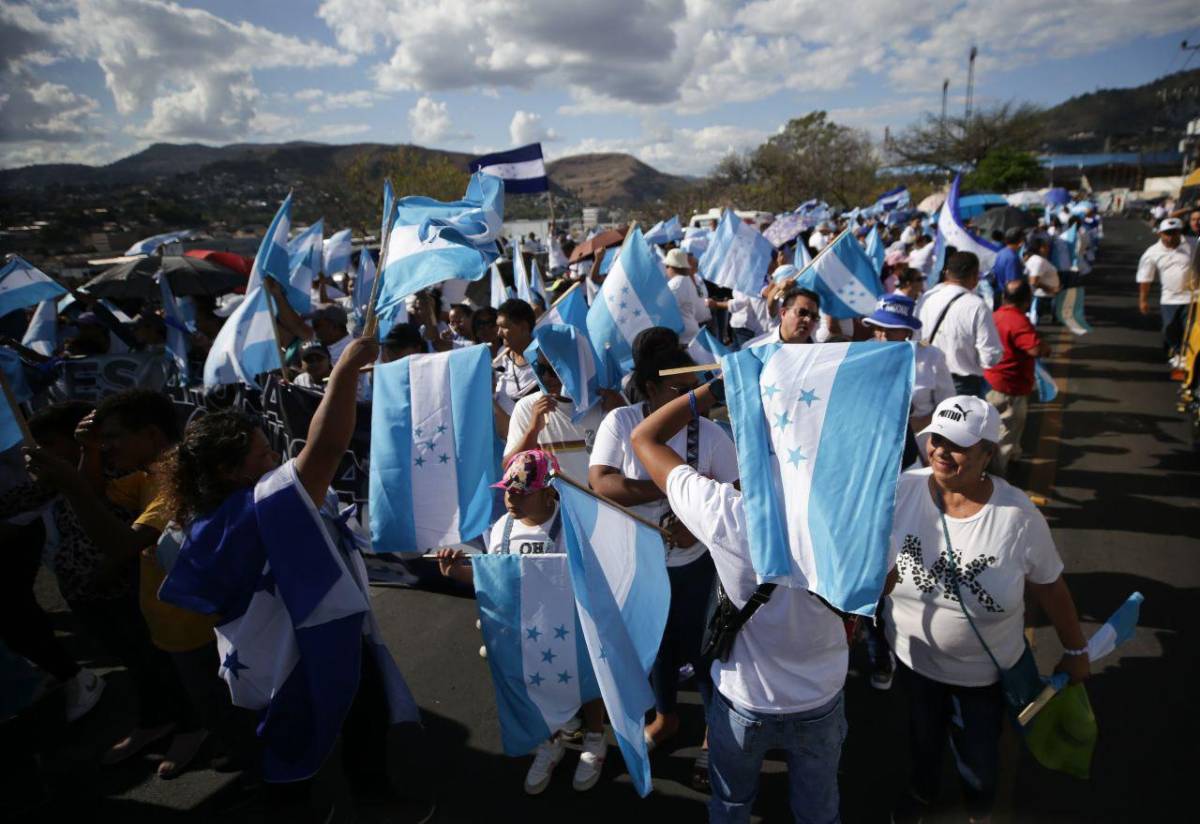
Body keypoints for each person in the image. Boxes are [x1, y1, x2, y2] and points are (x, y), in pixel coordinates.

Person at [158, 337, 429, 820]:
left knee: (340, 717)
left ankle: (348, 794)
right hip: (300, 648)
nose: (274, 461)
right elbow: (326, 448)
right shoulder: (252, 508)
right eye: (262, 456)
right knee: (314, 727)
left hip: (290, 643)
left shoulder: (208, 517)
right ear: (228, 471)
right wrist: (345, 369)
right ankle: (337, 801)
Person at [631, 379, 849, 824]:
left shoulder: (725, 511)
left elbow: (643, 437)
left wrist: (710, 390)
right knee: (818, 808)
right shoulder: (851, 513)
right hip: (821, 696)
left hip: (744, 700)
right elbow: (881, 585)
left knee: (731, 805)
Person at [883, 395, 1089, 823]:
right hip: (913, 663)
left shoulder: (1017, 517)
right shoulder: (902, 489)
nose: (940, 450)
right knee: (921, 745)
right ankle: (920, 798)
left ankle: (978, 811)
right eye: (935, 438)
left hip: (982, 680)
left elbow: (1051, 588)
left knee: (977, 763)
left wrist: (1076, 651)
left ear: (987, 454)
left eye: (956, 444)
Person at [23, 389, 221, 776]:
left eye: (112, 437)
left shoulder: (175, 482)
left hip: (193, 627)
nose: (106, 445)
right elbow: (99, 492)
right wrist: (89, 454)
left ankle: (233, 753)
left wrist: (69, 481)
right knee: (160, 675)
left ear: (149, 434)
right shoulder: (150, 474)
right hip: (168, 620)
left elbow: (122, 545)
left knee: (214, 702)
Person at [588, 336, 739, 761]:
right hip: (640, 564)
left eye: (696, 389)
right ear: (651, 389)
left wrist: (703, 527)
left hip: (694, 568)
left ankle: (714, 733)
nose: (693, 401)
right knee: (656, 647)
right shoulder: (621, 422)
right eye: (682, 391)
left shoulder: (709, 434)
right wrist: (679, 490)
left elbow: (739, 495)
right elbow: (601, 482)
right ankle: (666, 717)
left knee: (704, 651)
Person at [436, 450, 608, 795]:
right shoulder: (501, 528)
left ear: (548, 491)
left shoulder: (574, 526)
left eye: (520, 491)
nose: (509, 497)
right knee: (537, 686)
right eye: (507, 489)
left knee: (587, 682)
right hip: (527, 634)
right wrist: (458, 573)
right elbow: (494, 580)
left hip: (571, 629)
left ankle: (595, 738)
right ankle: (551, 741)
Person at [503, 329, 621, 484]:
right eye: (540, 369)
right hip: (552, 506)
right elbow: (509, 468)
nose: (546, 377)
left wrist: (618, 414)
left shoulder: (606, 403)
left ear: (575, 366)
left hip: (600, 504)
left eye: (554, 369)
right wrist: (532, 430)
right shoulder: (527, 408)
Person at [984, 279, 1049, 475]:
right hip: (1010, 388)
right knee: (1005, 436)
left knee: (995, 431)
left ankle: (1011, 460)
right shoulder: (1019, 321)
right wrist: (1047, 348)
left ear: (1004, 297)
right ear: (1027, 301)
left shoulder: (993, 316)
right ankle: (995, 480)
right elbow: (1035, 349)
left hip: (989, 382)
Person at [915, 252, 1002, 397]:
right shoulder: (977, 305)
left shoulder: (926, 298)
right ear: (975, 276)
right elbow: (990, 357)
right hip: (962, 385)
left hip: (928, 377)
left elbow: (917, 336)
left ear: (947, 273)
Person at [1136, 217, 1196, 365]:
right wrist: (1143, 300)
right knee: (1169, 328)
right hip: (1169, 298)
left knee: (1190, 329)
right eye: (1167, 233)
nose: (1170, 237)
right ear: (1160, 234)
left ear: (1180, 233)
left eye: (1174, 233)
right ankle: (1176, 350)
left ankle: (1184, 356)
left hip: (1192, 297)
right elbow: (1145, 278)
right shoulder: (1152, 253)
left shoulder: (1193, 244)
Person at [493, 299, 539, 436]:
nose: (499, 333)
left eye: (504, 327)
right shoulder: (500, 360)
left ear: (523, 327)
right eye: (498, 327)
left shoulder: (546, 358)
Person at [753, 284, 820, 346]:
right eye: (802, 312)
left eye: (814, 317)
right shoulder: (754, 349)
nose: (808, 320)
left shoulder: (822, 355)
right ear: (783, 313)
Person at [664, 248, 706, 342]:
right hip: (691, 330)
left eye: (667, 266)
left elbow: (664, 309)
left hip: (683, 336)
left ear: (671, 266)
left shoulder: (675, 284)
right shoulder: (686, 280)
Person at [1023, 235, 1060, 323]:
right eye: (1045, 246)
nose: (1048, 248)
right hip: (1041, 297)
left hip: (1043, 296)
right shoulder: (1038, 261)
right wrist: (1051, 289)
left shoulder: (1036, 259)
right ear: (1039, 248)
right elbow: (1033, 281)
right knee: (1034, 321)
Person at [992, 228, 1025, 294]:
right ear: (1020, 241)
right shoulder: (1012, 258)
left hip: (1000, 292)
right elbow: (1013, 284)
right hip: (1009, 296)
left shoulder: (1001, 252)